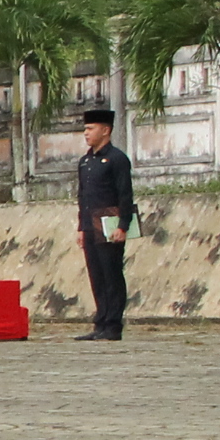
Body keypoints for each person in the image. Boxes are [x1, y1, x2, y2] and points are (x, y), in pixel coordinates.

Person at [74, 105, 136, 341]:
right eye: (85, 129)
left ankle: (113, 324)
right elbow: (82, 196)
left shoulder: (117, 159)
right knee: (96, 274)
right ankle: (100, 321)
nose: (86, 133)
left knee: (111, 274)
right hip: (90, 223)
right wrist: (81, 227)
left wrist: (123, 225)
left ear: (106, 130)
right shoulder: (85, 161)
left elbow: (125, 195)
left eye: (91, 128)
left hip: (109, 221)